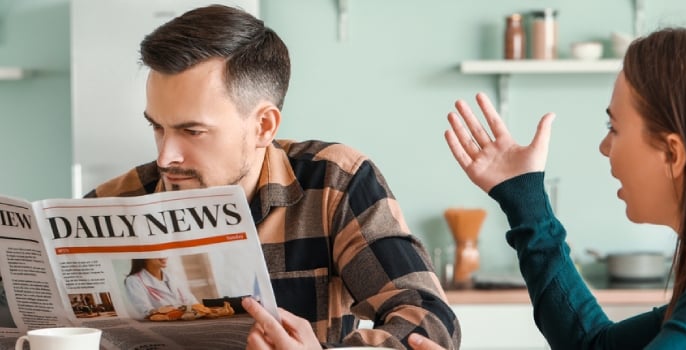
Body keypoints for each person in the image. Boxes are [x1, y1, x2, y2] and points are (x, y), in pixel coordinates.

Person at [85, 4, 459, 348]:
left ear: (264, 125)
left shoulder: (334, 183)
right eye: (158, 128)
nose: (166, 156)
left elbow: (428, 317)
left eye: (192, 131)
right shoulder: (114, 201)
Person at [437, 27, 686, 349]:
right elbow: (591, 345)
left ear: (672, 153)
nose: (604, 146)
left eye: (614, 128)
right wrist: (522, 194)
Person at [124, 258, 199, 319]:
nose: (163, 256)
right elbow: (146, 311)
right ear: (145, 257)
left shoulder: (173, 276)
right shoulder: (134, 280)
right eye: (157, 253)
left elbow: (193, 302)